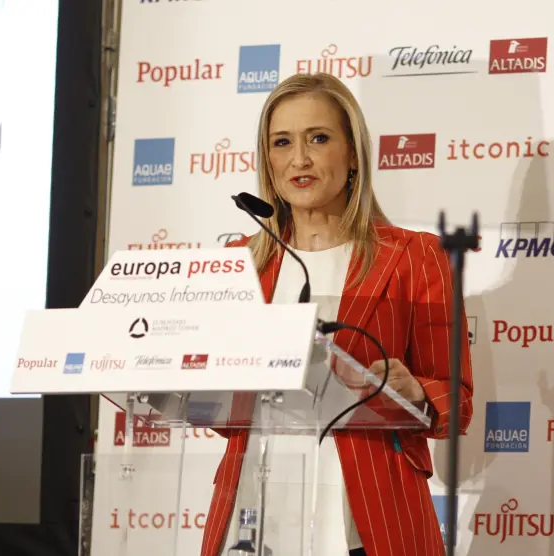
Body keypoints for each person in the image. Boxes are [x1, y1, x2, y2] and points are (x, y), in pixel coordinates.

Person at [200, 72, 474, 556]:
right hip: (255, 515)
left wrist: (413, 391)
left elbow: (458, 402)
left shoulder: (415, 258)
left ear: (353, 155)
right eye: (282, 142)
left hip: (369, 520)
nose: (299, 159)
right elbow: (221, 412)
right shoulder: (241, 264)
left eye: (318, 138)